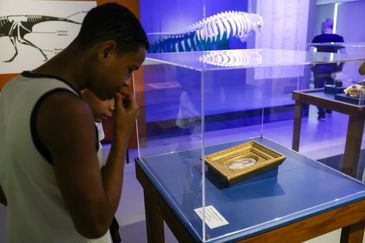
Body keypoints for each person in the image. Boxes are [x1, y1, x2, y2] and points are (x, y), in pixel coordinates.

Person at [0, 3, 149, 243]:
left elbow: (7, 189)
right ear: (106, 51)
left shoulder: (11, 89)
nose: (125, 83)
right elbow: (96, 224)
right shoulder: (67, 109)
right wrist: (122, 134)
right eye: (128, 70)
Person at [80, 89, 121, 243]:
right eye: (107, 96)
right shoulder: (75, 125)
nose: (113, 106)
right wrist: (121, 135)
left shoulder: (93, 121)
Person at [311, 18, 345, 121]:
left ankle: (321, 114)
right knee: (330, 90)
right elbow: (344, 55)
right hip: (333, 67)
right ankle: (329, 110)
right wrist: (340, 67)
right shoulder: (339, 38)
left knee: (319, 91)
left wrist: (311, 66)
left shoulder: (317, 38)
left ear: (324, 27)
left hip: (320, 67)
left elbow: (309, 53)